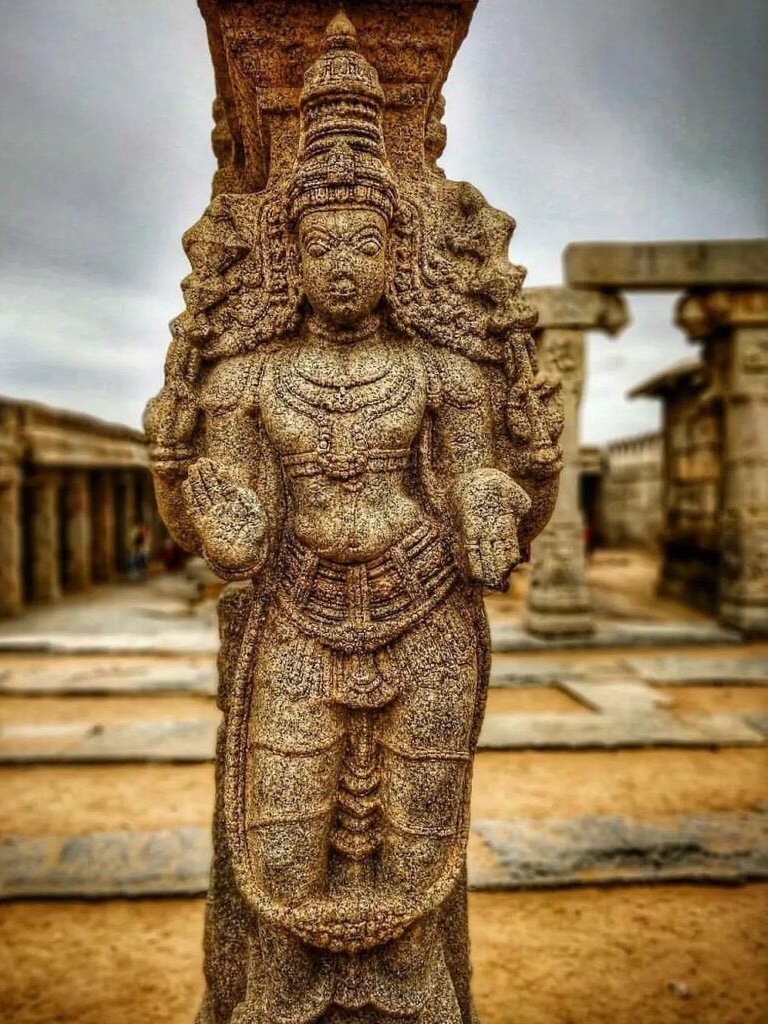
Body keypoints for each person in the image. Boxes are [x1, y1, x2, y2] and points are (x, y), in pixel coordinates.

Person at [147, 13, 562, 1024]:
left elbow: (478, 478)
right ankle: (277, 988)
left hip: (423, 614)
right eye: (320, 244)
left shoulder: (442, 365)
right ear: (288, 252)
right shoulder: (249, 372)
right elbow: (219, 529)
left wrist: (493, 498)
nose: (342, 263)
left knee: (418, 830)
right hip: (296, 612)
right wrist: (198, 490)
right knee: (284, 834)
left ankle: (417, 989)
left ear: (398, 247)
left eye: (365, 242)